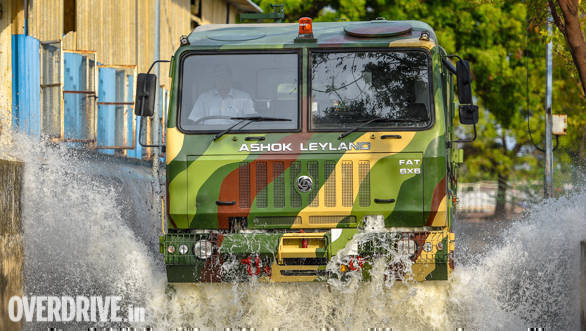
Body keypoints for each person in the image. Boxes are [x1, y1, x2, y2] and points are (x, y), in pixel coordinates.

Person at [188, 65, 254, 125]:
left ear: (231, 78)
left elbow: (250, 120)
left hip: (237, 134)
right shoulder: (203, 98)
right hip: (209, 134)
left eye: (225, 76)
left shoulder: (245, 97)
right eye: (219, 76)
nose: (222, 79)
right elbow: (195, 119)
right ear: (214, 79)